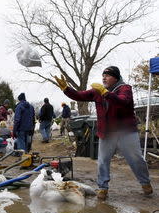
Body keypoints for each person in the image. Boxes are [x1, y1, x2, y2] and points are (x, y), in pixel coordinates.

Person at [54, 66, 153, 200]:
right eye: (103, 75)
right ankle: (103, 188)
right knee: (102, 161)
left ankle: (145, 183)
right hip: (107, 132)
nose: (104, 78)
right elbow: (79, 95)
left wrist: (106, 93)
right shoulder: (97, 92)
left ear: (116, 78)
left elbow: (123, 102)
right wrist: (66, 88)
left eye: (107, 75)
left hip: (126, 132)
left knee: (136, 159)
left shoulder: (125, 88)